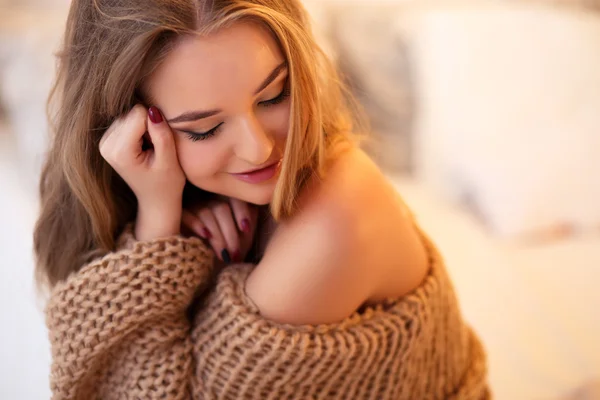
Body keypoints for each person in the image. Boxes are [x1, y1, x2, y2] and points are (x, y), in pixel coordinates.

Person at [34, 0, 490, 399]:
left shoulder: (336, 220)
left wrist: (157, 221)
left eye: (274, 95)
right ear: (133, 131)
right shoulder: (211, 201)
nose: (260, 149)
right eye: (205, 128)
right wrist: (178, 212)